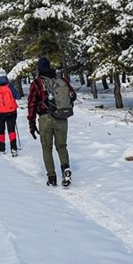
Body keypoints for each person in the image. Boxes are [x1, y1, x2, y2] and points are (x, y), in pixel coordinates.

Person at [27, 56, 77, 187]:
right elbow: (73, 95)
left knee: (46, 148)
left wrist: (31, 123)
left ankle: (52, 177)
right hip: (62, 117)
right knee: (61, 146)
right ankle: (65, 168)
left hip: (45, 119)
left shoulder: (37, 83)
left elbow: (31, 104)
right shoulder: (61, 80)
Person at [0, 68, 21, 156]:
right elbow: (17, 96)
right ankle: (14, 149)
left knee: (1, 130)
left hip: (0, 112)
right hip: (11, 111)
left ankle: (2, 149)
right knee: (11, 130)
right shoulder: (9, 85)